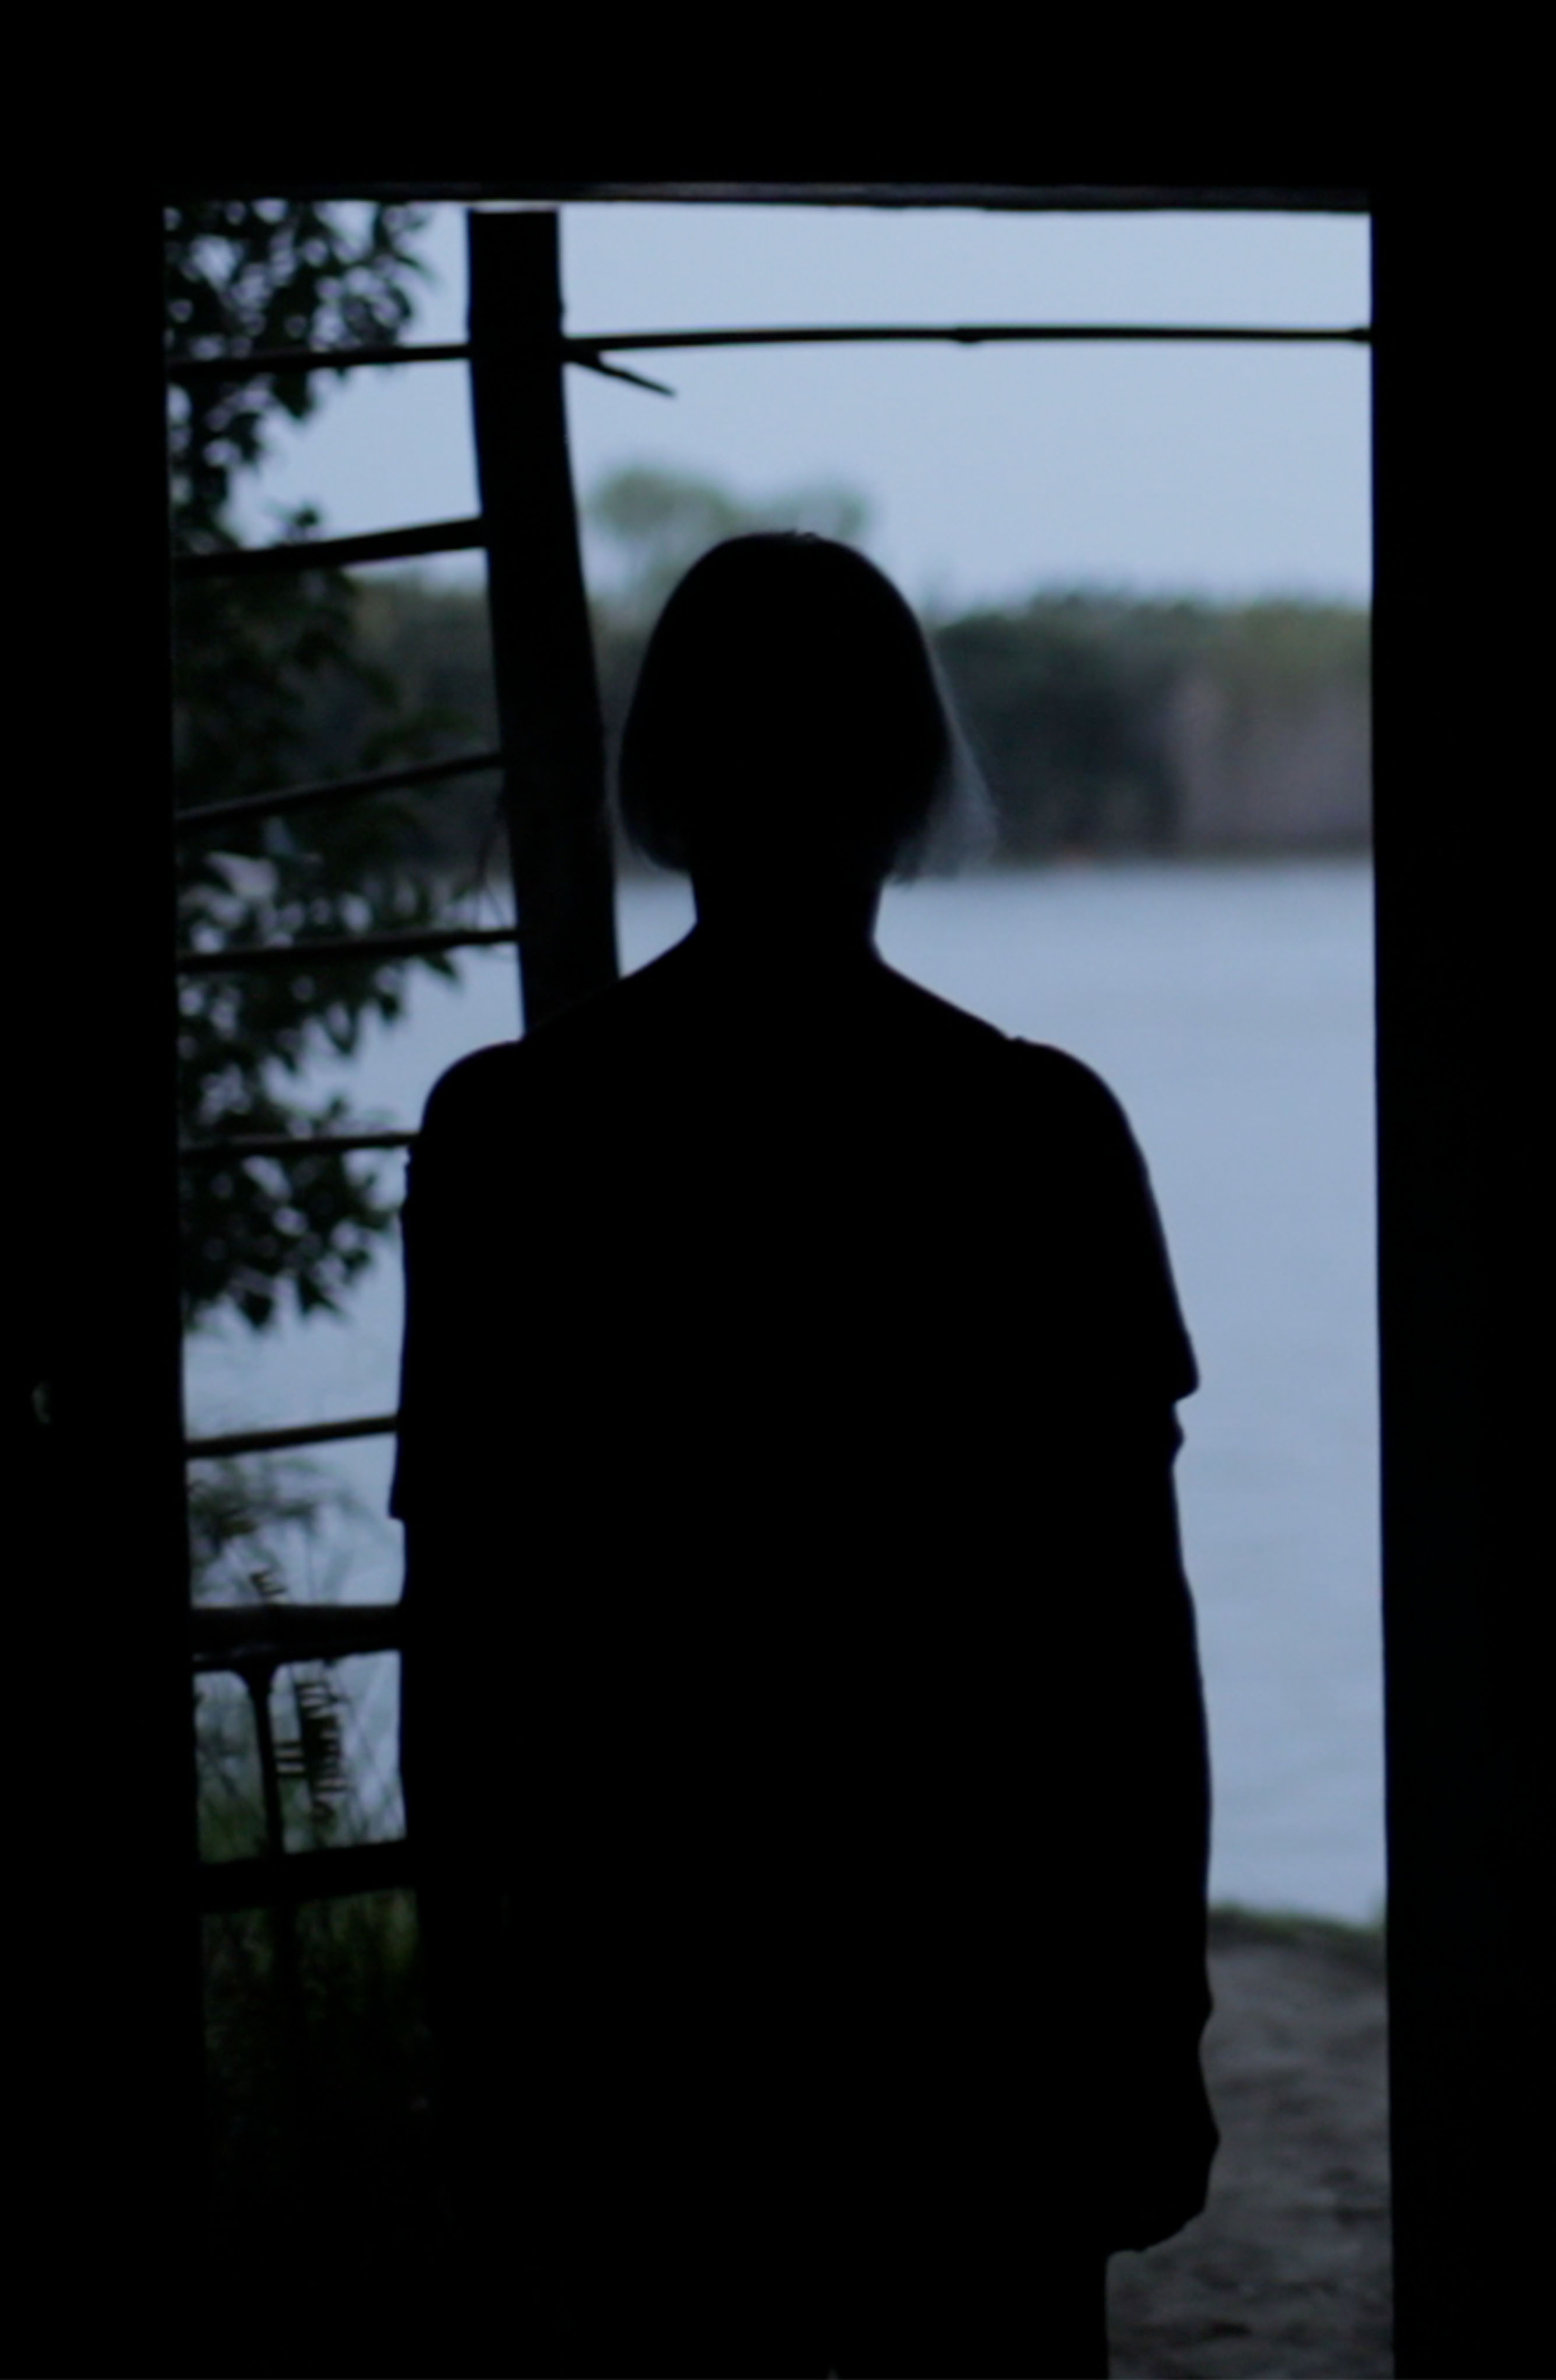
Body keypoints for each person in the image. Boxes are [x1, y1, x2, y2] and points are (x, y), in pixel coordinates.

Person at [391, 534, 1217, 2376]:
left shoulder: (512, 1135)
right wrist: (1158, 2013)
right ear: (912, 777)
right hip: (976, 1986)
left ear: (664, 780)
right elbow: (1125, 1642)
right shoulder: (1037, 1134)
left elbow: (465, 1627)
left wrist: (474, 2017)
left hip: (642, 1976)